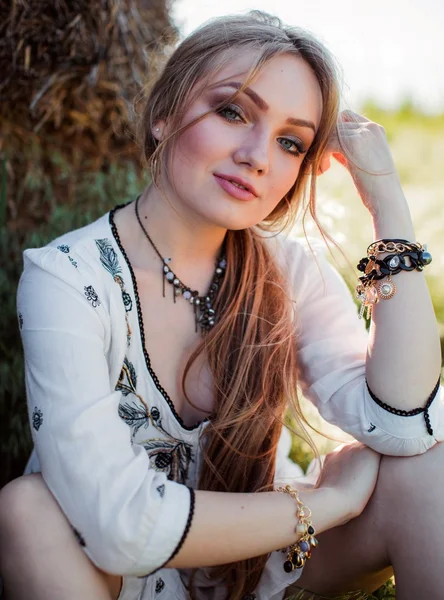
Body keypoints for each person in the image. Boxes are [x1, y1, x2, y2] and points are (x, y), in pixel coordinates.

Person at [0, 10, 443, 600]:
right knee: (25, 511)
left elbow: (406, 426)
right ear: (164, 115)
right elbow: (118, 526)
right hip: (111, 575)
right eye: (233, 111)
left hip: (258, 559)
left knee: (427, 469)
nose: (259, 156)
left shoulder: (287, 270)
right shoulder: (66, 279)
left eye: (291, 142)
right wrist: (327, 501)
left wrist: (387, 201)